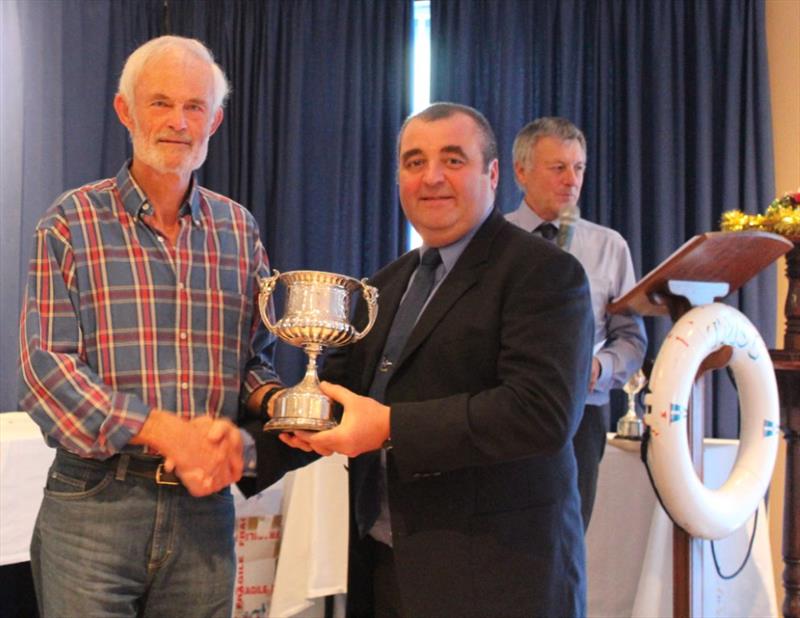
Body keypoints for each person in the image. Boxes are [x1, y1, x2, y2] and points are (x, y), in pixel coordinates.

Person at [244, 103, 594, 617]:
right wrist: (239, 453)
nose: (431, 177)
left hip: (499, 582)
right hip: (385, 571)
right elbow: (333, 404)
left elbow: (541, 413)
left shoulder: (545, 274)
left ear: (492, 174)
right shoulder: (384, 285)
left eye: (453, 160)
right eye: (413, 162)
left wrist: (389, 427)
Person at [18, 35, 285, 618]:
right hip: (94, 504)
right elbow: (47, 368)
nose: (177, 122)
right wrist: (163, 429)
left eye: (194, 107)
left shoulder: (238, 231)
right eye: (160, 103)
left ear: (214, 120)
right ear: (125, 110)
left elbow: (253, 363)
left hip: (203, 511)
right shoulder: (70, 222)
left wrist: (278, 404)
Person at [506, 116, 647, 530]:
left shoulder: (609, 246)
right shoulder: (490, 240)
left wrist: (601, 368)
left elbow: (631, 338)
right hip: (506, 411)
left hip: (581, 417)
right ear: (521, 171)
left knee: (567, 538)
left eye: (579, 167)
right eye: (558, 168)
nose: (572, 180)